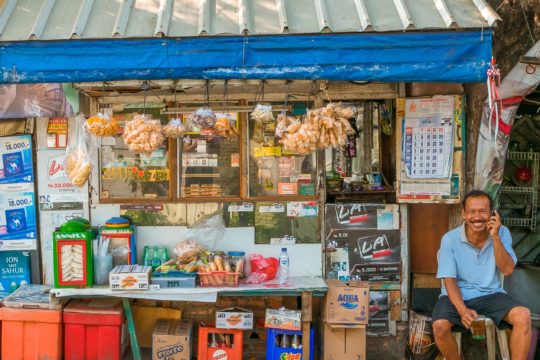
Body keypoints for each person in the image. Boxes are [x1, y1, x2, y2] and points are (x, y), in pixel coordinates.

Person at [432, 190, 531, 360]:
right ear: (464, 214)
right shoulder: (450, 239)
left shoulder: (502, 233)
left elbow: (507, 270)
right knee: (440, 326)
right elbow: (449, 280)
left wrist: (495, 238)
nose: (477, 217)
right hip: (456, 296)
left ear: (493, 213)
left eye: (483, 211)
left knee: (523, 316)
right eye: (471, 212)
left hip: (490, 294)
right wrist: (462, 310)